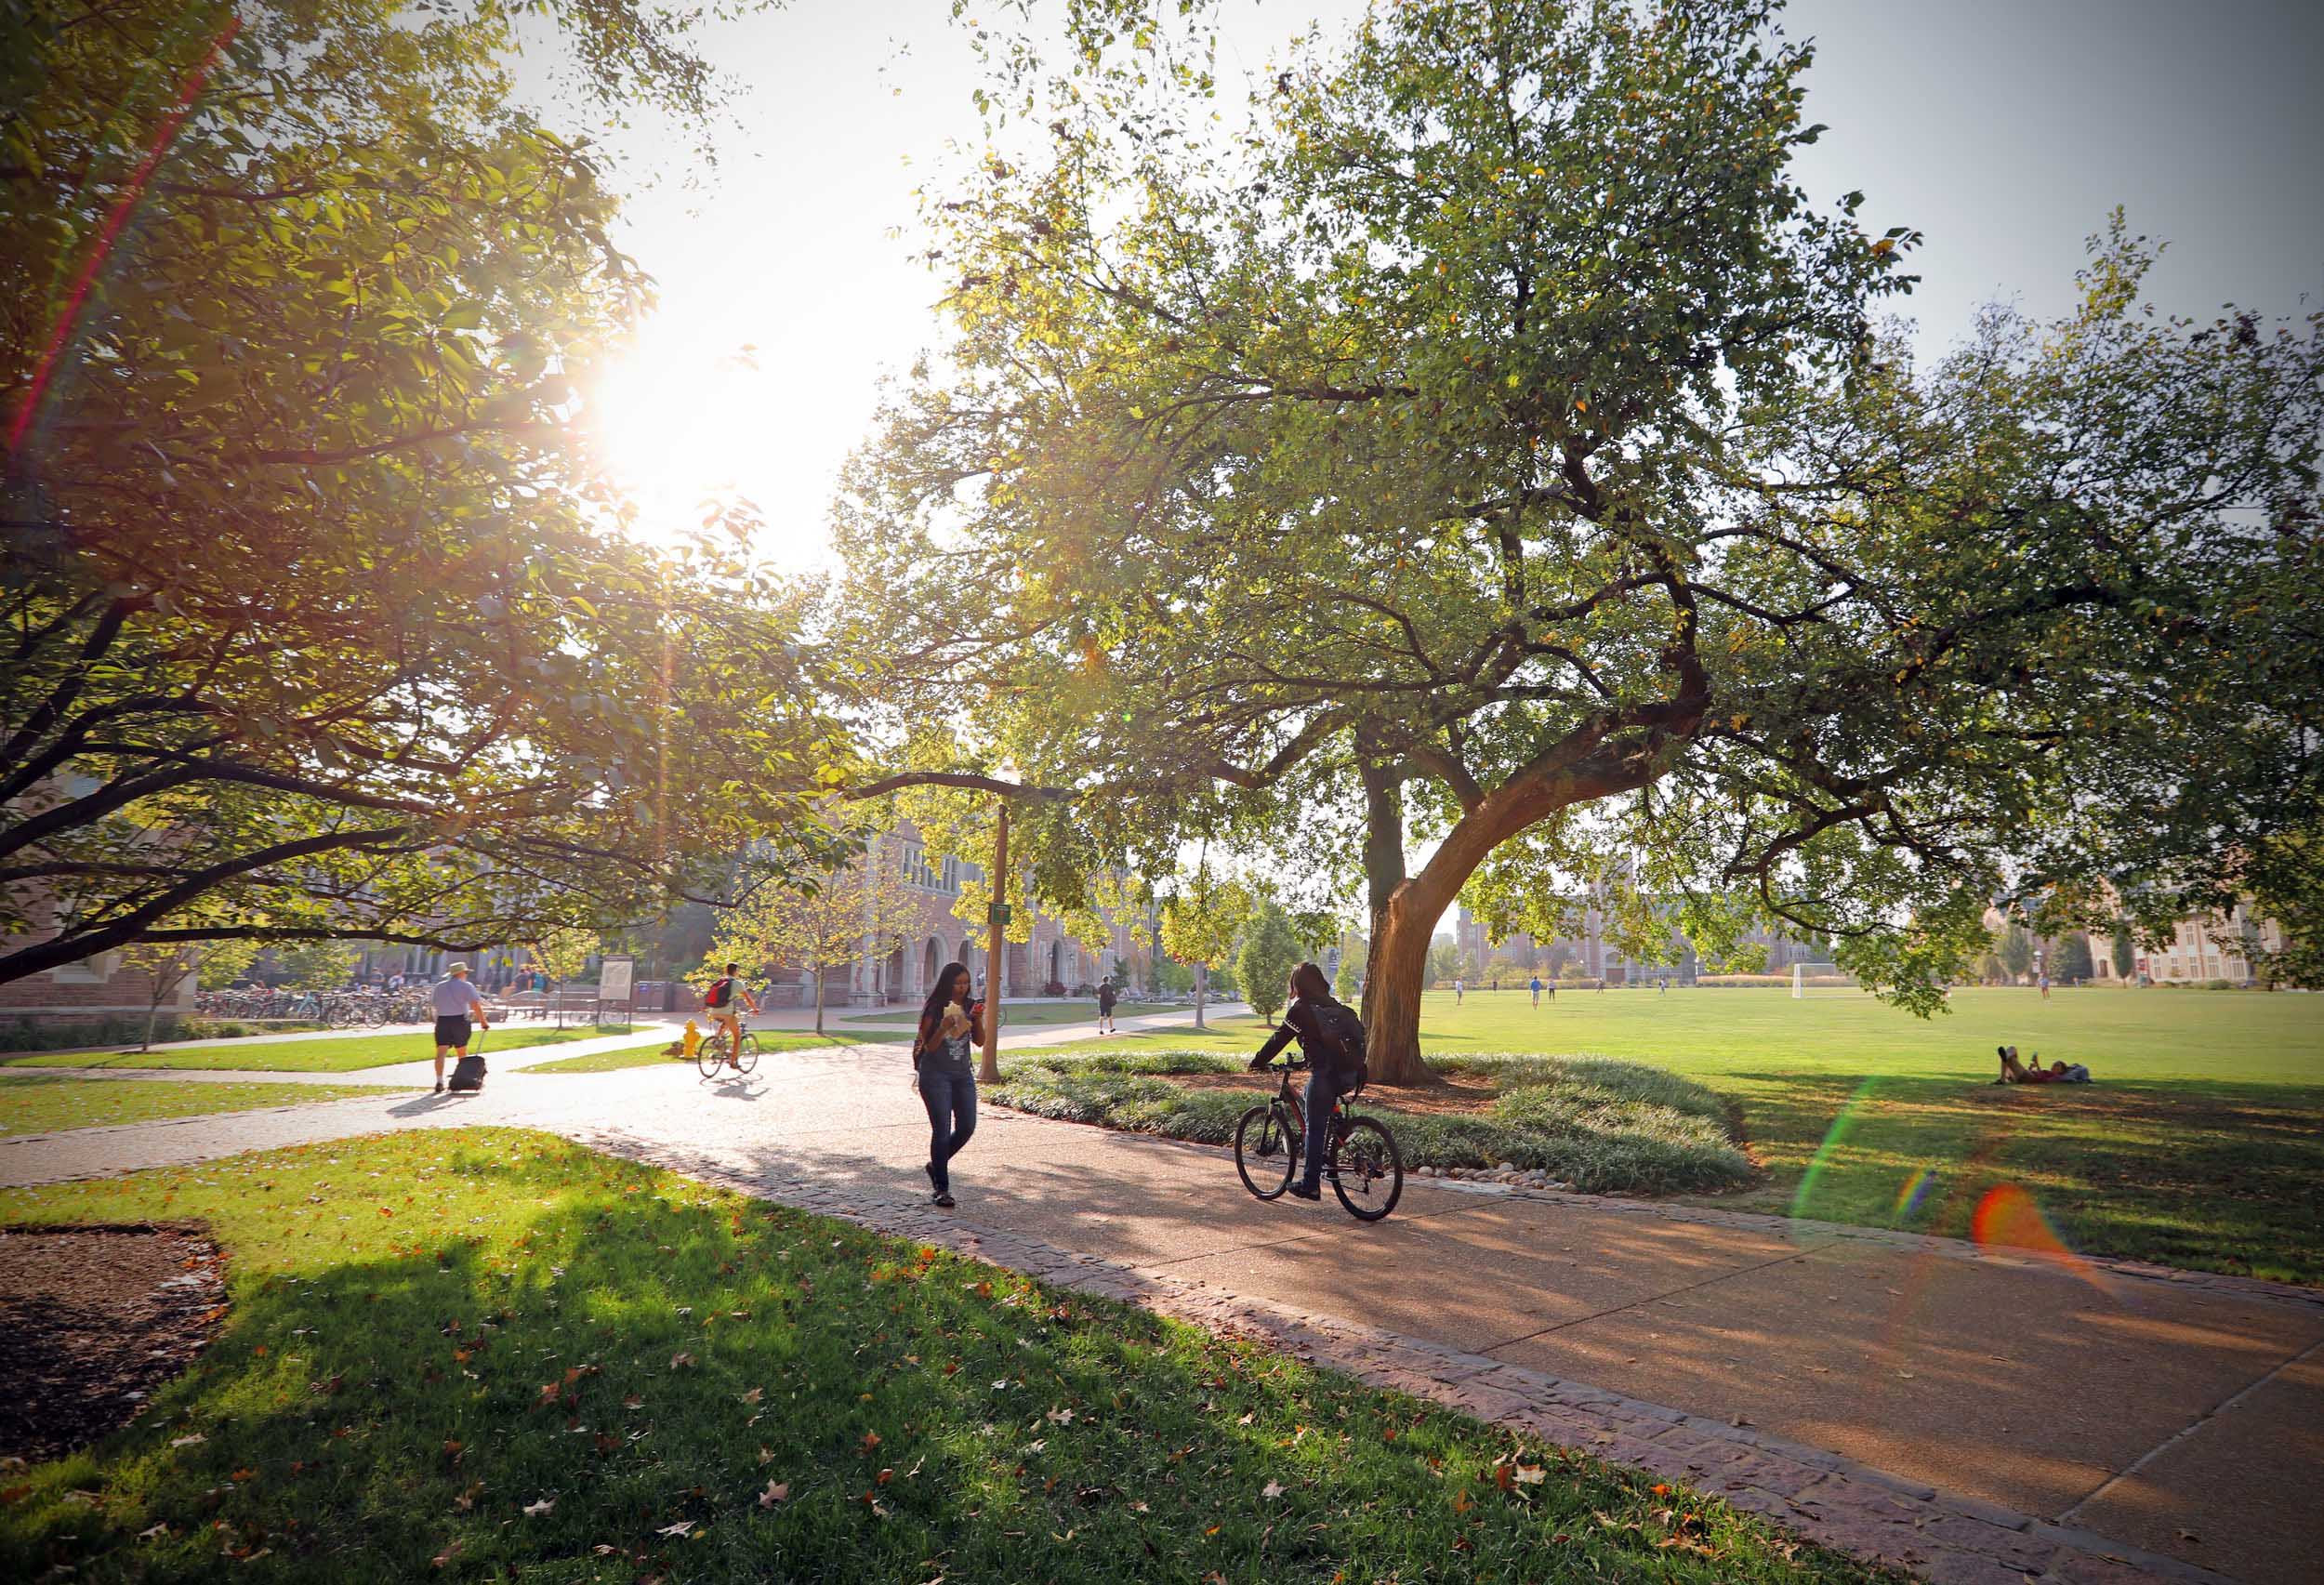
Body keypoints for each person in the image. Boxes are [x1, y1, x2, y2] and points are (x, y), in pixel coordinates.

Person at [1248, 961, 1364, 1203]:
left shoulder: (1301, 1010)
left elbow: (1279, 1039)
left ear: (1297, 985)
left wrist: (1257, 1062)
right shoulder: (1333, 1005)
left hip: (1326, 1075)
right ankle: (1339, 1137)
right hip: (1350, 1074)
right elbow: (1325, 1044)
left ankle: (1311, 1185)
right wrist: (1306, 1062)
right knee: (1322, 1111)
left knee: (1314, 1126)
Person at [913, 961, 985, 1207]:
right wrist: (943, 1027)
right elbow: (930, 1047)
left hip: (962, 1074)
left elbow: (980, 1042)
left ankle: (936, 1165)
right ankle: (941, 1188)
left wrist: (977, 1019)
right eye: (958, 983)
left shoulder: (968, 1005)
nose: (962, 988)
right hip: (936, 1076)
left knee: (966, 1127)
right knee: (942, 1131)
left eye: (966, 983)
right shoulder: (934, 1008)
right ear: (947, 983)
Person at [430, 962, 489, 1093]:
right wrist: (483, 1022)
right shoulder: (466, 986)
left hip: (443, 1020)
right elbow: (475, 1005)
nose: (466, 975)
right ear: (461, 973)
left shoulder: (439, 986)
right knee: (462, 1052)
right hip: (459, 1020)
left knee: (441, 1052)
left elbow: (434, 1004)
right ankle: (462, 1079)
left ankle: (439, 1081)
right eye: (466, 972)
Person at [702, 961, 759, 1069]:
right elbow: (748, 998)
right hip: (726, 1013)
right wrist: (755, 1009)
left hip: (713, 1011)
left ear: (726, 970)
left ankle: (717, 1041)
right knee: (737, 1036)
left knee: (726, 1023)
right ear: (736, 971)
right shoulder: (737, 984)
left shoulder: (720, 981)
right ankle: (733, 1062)